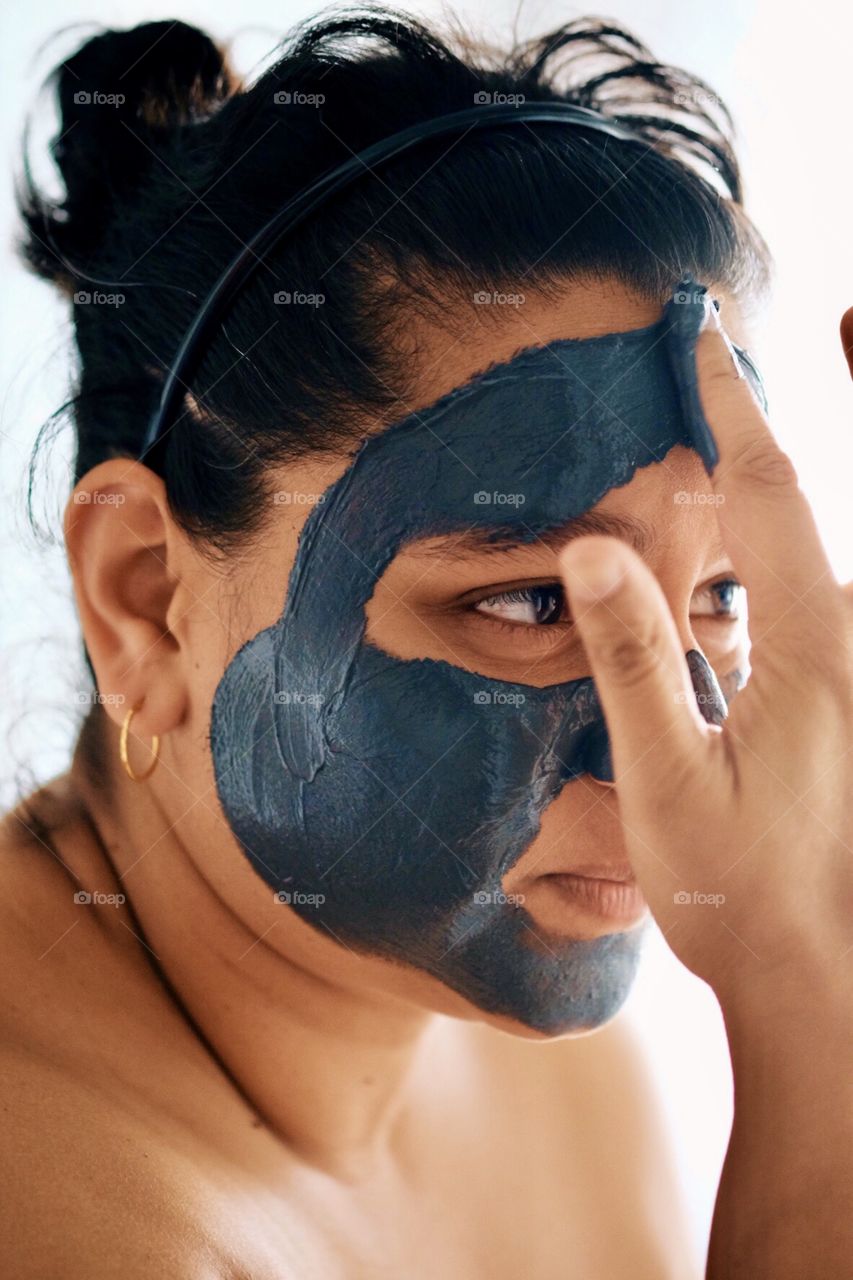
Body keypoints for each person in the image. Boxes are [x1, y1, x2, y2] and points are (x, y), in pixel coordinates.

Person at [2, 10, 850, 1278]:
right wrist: (812, 1009)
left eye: (721, 596)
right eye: (534, 603)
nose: (672, 760)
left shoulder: (526, 1046)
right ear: (144, 598)